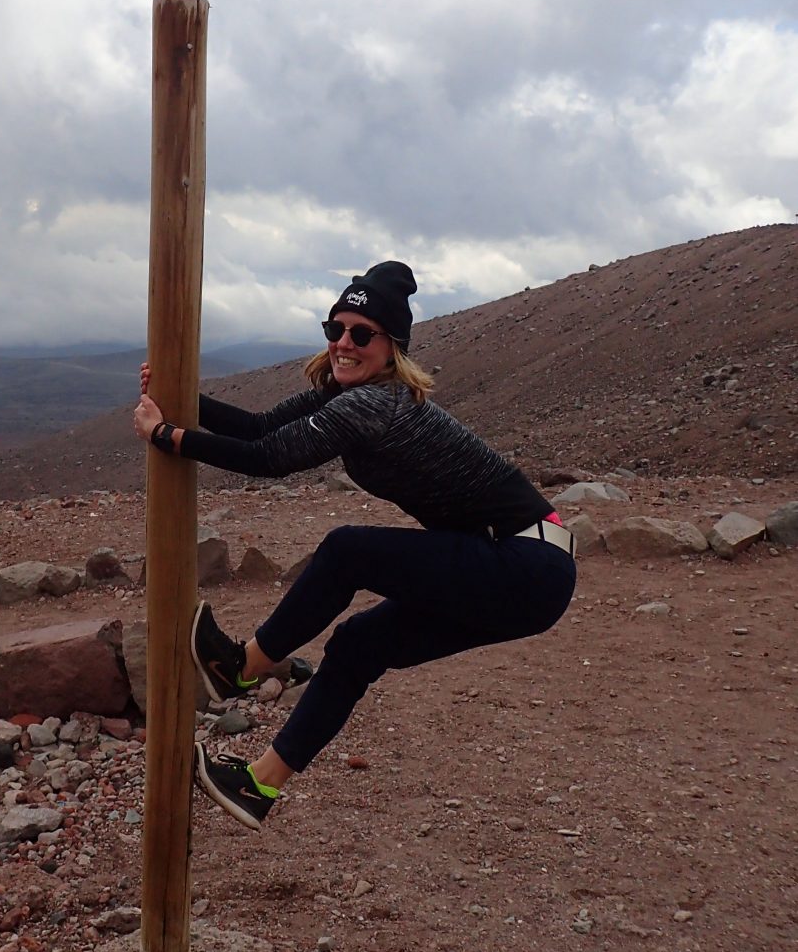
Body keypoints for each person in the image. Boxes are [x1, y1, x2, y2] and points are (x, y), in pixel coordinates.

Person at [133, 260, 576, 831]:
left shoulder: (377, 404)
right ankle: (258, 786)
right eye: (335, 329)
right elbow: (260, 427)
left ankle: (241, 666)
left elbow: (267, 461)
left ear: (393, 348)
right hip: (523, 571)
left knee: (348, 550)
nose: (344, 343)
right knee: (357, 644)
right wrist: (175, 398)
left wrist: (167, 436)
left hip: (527, 563)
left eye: (362, 334)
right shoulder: (344, 395)